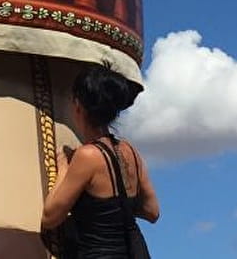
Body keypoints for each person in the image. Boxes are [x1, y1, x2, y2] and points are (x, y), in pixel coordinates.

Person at [42, 65, 159, 258]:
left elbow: (50, 217)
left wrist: (63, 168)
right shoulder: (130, 151)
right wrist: (117, 207)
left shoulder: (87, 156)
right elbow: (152, 211)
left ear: (78, 106)